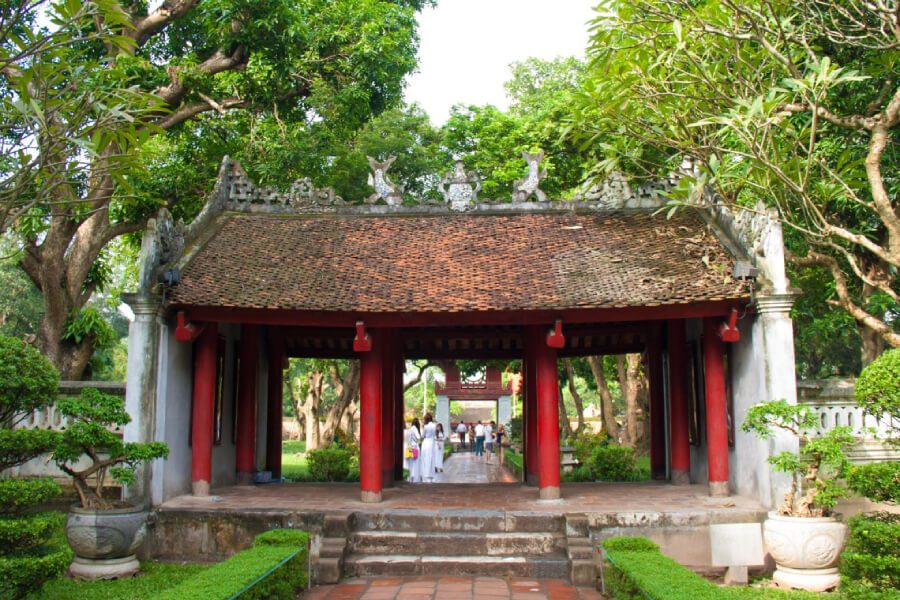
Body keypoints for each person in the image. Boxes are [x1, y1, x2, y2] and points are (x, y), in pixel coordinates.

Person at [420, 413, 437, 482]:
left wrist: (422, 428)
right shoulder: (434, 425)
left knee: (425, 459)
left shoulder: (426, 426)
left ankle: (426, 475)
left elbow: (422, 436)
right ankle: (431, 475)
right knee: (432, 459)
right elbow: (435, 434)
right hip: (432, 443)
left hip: (426, 442)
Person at [404, 418, 422, 483]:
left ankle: (410, 478)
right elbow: (418, 438)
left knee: (411, 464)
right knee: (416, 464)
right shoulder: (415, 429)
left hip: (410, 448)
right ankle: (415, 479)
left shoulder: (410, 429)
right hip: (415, 448)